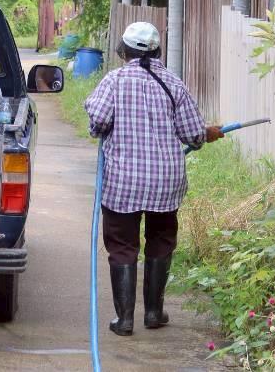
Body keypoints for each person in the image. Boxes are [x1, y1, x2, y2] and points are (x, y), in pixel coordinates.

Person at [84, 22, 223, 336]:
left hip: (123, 181)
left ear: (125, 50)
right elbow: (193, 134)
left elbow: (99, 121)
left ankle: (124, 320)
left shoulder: (113, 81)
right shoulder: (173, 83)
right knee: (160, 241)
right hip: (164, 181)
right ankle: (154, 312)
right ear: (158, 51)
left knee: (122, 244)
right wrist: (208, 133)